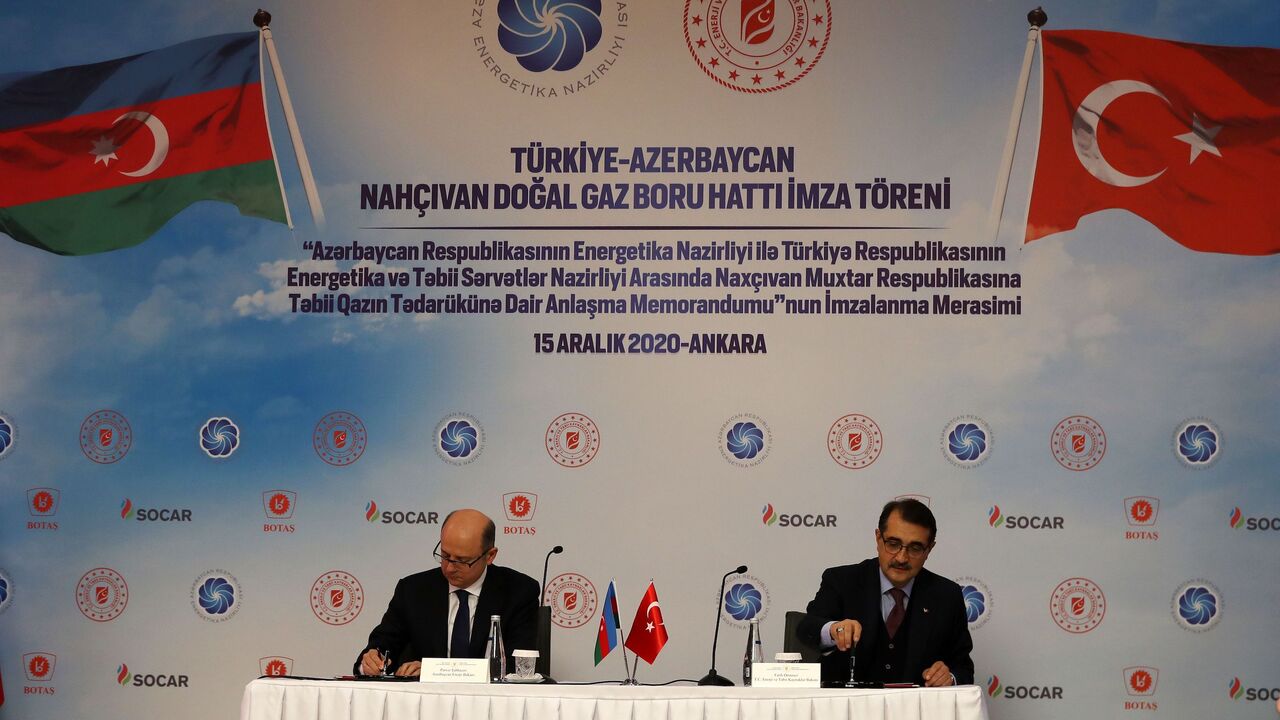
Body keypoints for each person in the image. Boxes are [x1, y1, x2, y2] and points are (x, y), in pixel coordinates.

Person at [798, 498, 974, 686]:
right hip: (847, 702)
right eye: (893, 543)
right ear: (878, 538)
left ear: (929, 549)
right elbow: (807, 627)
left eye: (915, 548)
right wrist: (833, 629)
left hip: (914, 704)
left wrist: (949, 677)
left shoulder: (947, 595)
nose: (901, 558)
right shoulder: (842, 580)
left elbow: (963, 668)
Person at [354, 508, 539, 676]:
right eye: (444, 555)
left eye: (461, 560)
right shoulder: (413, 590)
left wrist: (433, 672)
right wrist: (371, 662)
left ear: (490, 556)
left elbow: (518, 666)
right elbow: (383, 644)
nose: (449, 568)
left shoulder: (519, 591)